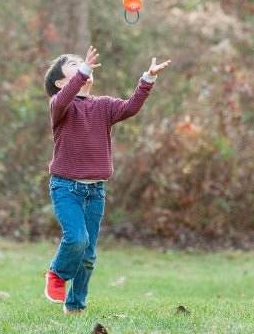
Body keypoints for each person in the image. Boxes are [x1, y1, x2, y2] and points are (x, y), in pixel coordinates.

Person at [43, 45, 171, 314]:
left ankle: (75, 305)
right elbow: (66, 98)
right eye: (74, 65)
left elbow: (130, 108)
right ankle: (56, 274)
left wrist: (147, 79)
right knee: (76, 239)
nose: (81, 66)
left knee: (88, 255)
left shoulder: (103, 106)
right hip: (66, 187)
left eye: (83, 64)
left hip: (95, 192)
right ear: (60, 82)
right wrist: (85, 70)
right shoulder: (59, 107)